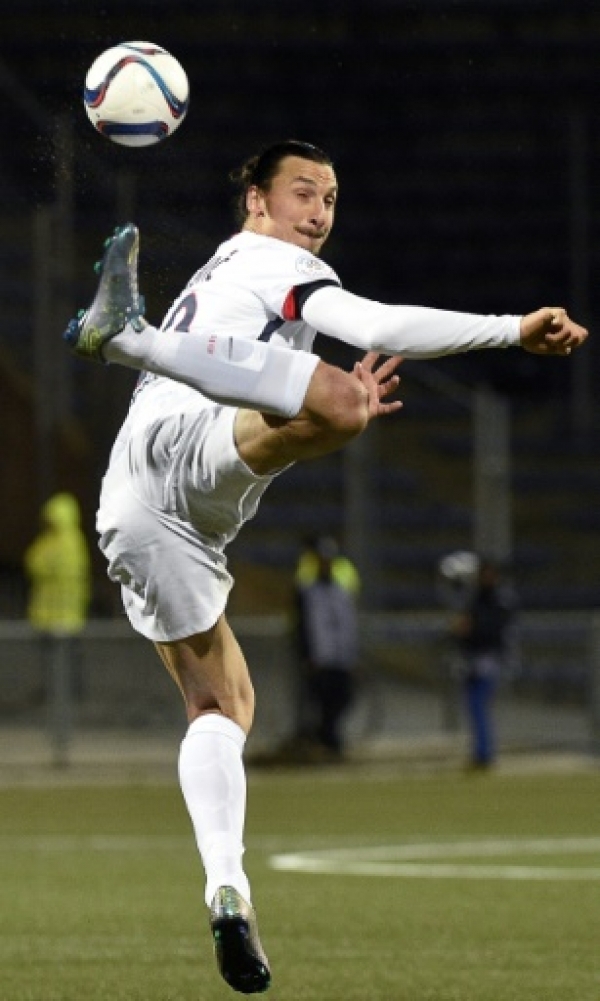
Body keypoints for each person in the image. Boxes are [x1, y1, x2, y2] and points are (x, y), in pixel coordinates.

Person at [63, 139, 588, 994]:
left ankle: (225, 886)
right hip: (180, 436)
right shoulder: (273, 260)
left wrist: (326, 414)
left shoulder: (234, 268)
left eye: (333, 197)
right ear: (256, 205)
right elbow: (379, 326)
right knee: (344, 397)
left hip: (141, 500)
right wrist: (513, 330)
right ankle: (131, 339)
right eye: (302, 191)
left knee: (222, 703)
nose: (319, 211)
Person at [295, 535, 359, 758]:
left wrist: (351, 653)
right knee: (320, 702)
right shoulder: (308, 592)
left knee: (341, 699)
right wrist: (306, 654)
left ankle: (330, 740)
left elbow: (347, 624)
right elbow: (304, 627)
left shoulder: (340, 591)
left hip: (339, 656)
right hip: (321, 656)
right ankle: (325, 743)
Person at [452, 559, 517, 769]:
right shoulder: (475, 598)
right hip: (472, 658)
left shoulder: (501, 599)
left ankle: (484, 753)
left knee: (478, 704)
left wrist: (472, 628)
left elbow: (495, 629)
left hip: (489, 658)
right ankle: (481, 750)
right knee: (474, 705)